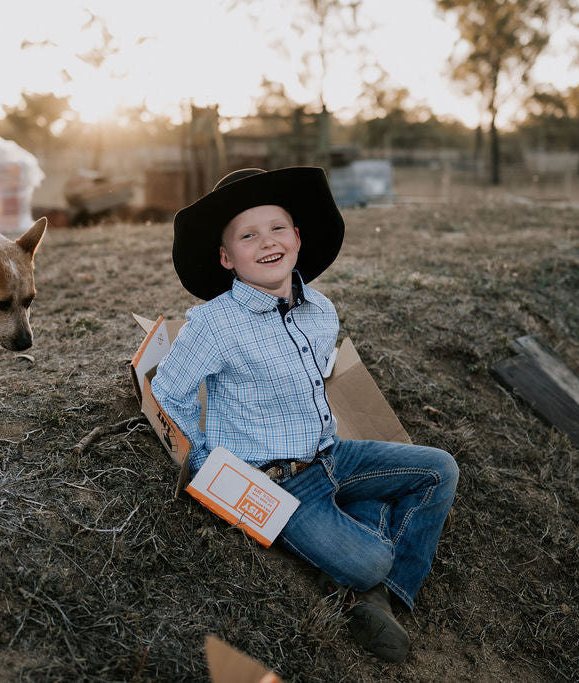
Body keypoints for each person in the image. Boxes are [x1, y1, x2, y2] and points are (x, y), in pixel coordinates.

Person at [150, 167, 458, 663]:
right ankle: (368, 574)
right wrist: (209, 465)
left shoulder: (320, 309)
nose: (266, 242)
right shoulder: (214, 325)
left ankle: (382, 596)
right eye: (248, 235)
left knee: (438, 468)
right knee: (373, 555)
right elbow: (167, 392)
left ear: (296, 237)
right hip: (280, 482)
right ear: (227, 257)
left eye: (276, 228)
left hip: (331, 454)